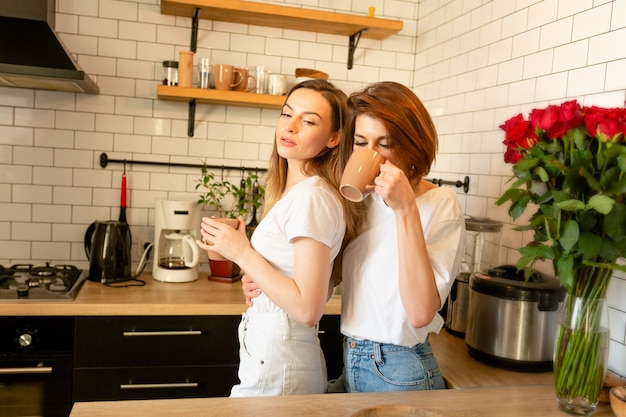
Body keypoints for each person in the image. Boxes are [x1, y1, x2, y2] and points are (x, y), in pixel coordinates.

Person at [244, 81, 464, 393]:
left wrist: (405, 210)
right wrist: (263, 278)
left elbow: (420, 312)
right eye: (361, 143)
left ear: (412, 143)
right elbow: (327, 279)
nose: (370, 155)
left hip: (400, 368)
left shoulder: (440, 204)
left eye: (384, 144)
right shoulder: (362, 200)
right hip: (355, 359)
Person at [196, 79, 360, 397]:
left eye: (308, 120)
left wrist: (243, 253)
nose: (291, 126)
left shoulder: (312, 197)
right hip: (272, 358)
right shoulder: (293, 191)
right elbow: (289, 277)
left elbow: (307, 308)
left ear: (333, 138)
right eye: (287, 114)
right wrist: (254, 276)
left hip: (281, 366)